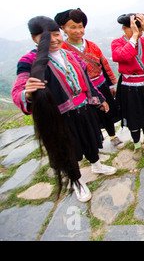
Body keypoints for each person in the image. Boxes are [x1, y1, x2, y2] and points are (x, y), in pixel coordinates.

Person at [11, 16, 116, 203]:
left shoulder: (70, 55)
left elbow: (87, 80)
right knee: (68, 150)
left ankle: (96, 164)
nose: (53, 40)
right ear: (35, 39)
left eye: (55, 34)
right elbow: (19, 90)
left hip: (84, 109)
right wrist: (27, 94)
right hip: (59, 118)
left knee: (91, 139)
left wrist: (99, 98)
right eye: (45, 37)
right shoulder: (28, 61)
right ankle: (77, 181)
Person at [55, 8, 123, 148]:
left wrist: (111, 86)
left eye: (80, 26)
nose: (78, 30)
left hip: (101, 85)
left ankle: (113, 135)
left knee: (107, 112)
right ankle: (97, 139)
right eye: (73, 27)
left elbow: (104, 66)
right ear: (63, 29)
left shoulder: (92, 46)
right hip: (83, 91)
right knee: (91, 117)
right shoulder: (62, 50)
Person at [111, 13, 144, 160]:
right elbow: (122, 56)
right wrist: (134, 37)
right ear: (124, 28)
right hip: (129, 88)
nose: (138, 32)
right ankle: (136, 145)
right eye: (135, 28)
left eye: (139, 29)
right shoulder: (117, 43)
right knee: (134, 117)